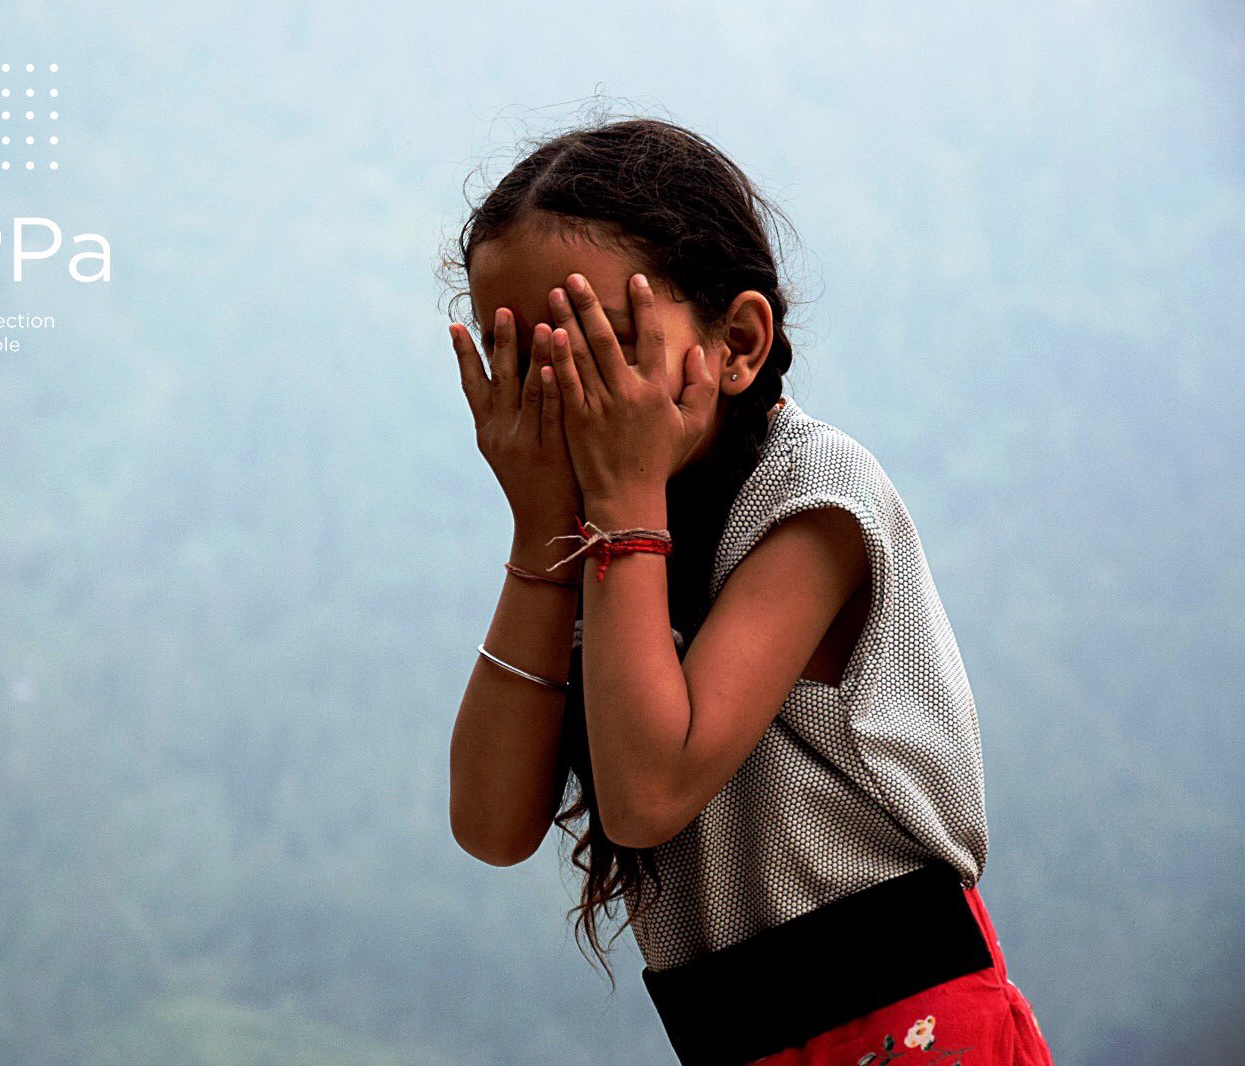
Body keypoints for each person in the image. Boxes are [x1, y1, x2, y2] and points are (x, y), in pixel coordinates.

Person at [443, 116, 1054, 1065]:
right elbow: (489, 822)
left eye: (601, 343)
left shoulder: (814, 500)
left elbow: (648, 793)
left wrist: (621, 505)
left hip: (907, 1032)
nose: (562, 387)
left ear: (737, 342)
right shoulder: (608, 536)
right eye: (519, 355)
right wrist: (539, 529)